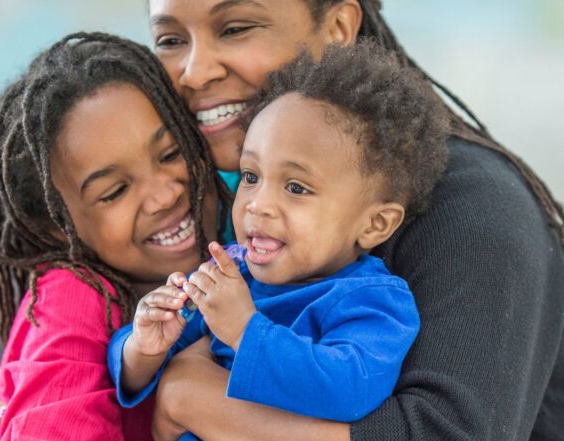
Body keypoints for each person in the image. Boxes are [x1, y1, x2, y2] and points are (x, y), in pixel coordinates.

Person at [0, 1, 564, 440]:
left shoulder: (477, 208)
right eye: (171, 39)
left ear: (340, 27)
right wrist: (27, 399)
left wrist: (194, 399)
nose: (194, 72)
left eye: (236, 26)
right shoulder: (228, 208)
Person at [110, 42, 449, 435]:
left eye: (296, 187)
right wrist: (144, 345)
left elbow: (348, 390)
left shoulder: (372, 301)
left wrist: (244, 329)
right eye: (251, 177)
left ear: (374, 225)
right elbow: (140, 362)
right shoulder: (231, 273)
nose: (258, 205)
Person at [0, 31, 230, 440]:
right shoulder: (71, 297)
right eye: (114, 192)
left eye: (170, 153)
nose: (163, 195)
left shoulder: (251, 237)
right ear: (53, 226)